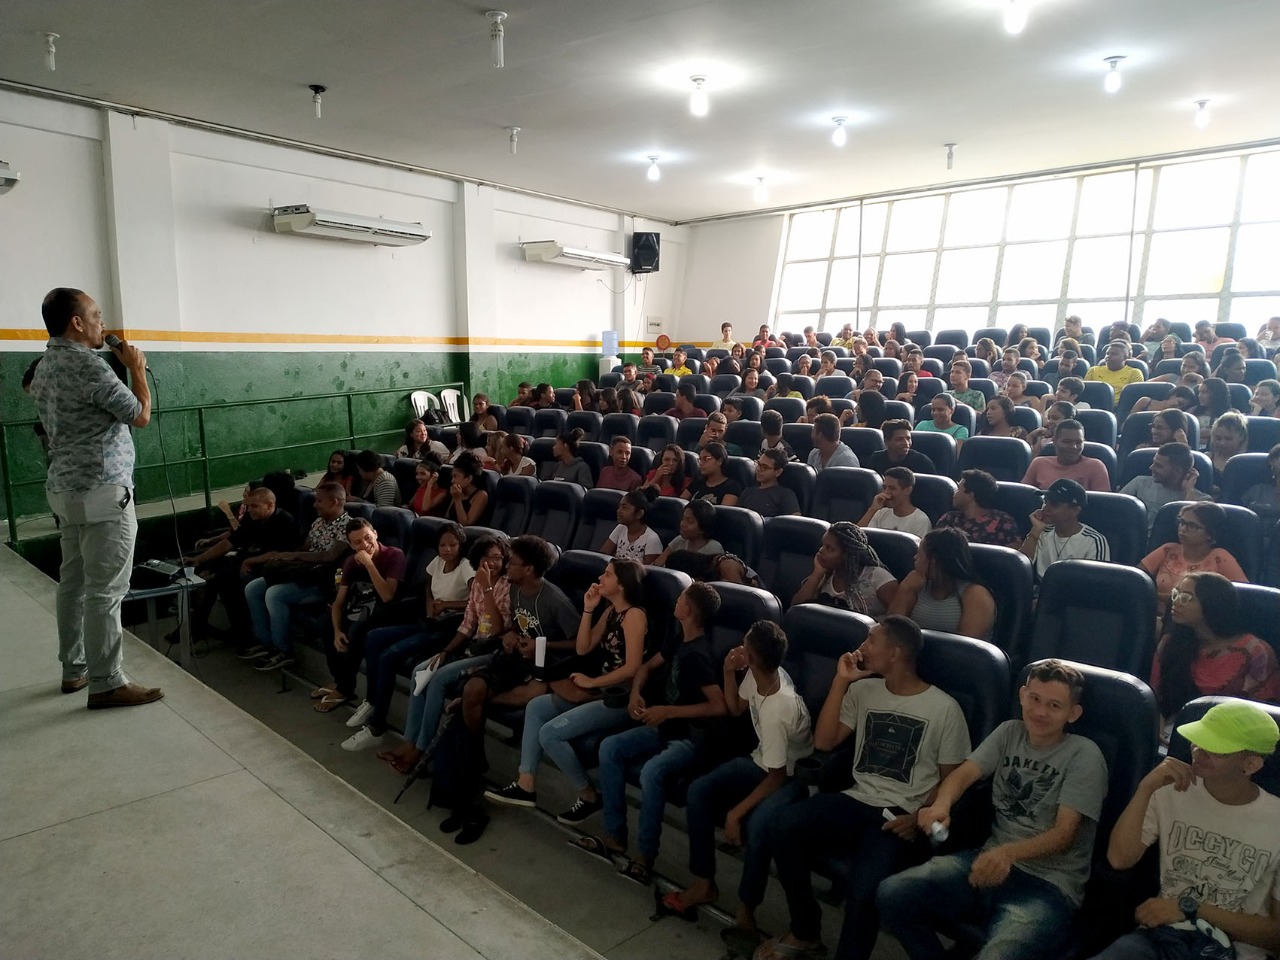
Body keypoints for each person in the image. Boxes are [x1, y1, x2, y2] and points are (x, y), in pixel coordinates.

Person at [761, 617, 972, 960]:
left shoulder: (944, 709)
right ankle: (805, 930)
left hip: (899, 815)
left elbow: (952, 779)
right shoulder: (863, 690)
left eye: (871, 640)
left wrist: (918, 817)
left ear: (895, 653)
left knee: (862, 892)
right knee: (781, 826)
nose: (862, 647)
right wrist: (841, 681)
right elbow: (825, 741)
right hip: (857, 799)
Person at [877, 659, 1109, 960]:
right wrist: (941, 805)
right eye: (1035, 699)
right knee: (893, 894)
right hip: (987, 861)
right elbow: (963, 774)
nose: (1040, 712)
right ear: (1022, 695)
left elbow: (1065, 834)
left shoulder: (1084, 754)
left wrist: (1007, 854)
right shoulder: (1009, 731)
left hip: (1048, 886)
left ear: (1073, 713)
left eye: (1054, 706)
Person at [28, 288, 162, 708]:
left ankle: (74, 669)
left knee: (73, 584)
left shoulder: (44, 366)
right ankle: (107, 682)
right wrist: (136, 370)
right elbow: (140, 415)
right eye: (96, 315)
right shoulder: (89, 365)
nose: (103, 323)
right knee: (106, 590)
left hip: (64, 490)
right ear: (77, 322)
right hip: (103, 491)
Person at [1093, 701, 1280, 960]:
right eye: (1198, 740)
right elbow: (1119, 859)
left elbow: (1275, 935)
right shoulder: (1171, 789)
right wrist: (1145, 788)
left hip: (1234, 951)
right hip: (1163, 937)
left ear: (1250, 765)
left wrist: (1189, 908)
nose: (1198, 751)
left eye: (1215, 749)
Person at [661, 621, 813, 928]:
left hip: (791, 776)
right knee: (698, 791)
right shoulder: (760, 675)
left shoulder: (778, 709)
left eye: (745, 646)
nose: (739, 648)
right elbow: (734, 708)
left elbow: (777, 776)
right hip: (762, 760)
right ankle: (704, 882)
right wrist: (729, 671)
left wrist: (736, 813)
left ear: (753, 658)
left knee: (757, 826)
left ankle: (747, 907)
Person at [579, 583, 727, 884]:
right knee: (610, 748)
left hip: (688, 738)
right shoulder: (678, 639)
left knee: (651, 772)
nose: (677, 600)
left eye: (681, 598)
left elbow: (718, 706)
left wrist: (669, 711)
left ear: (687, 610)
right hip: (662, 726)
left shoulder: (698, 654)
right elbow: (646, 667)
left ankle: (645, 855)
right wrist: (636, 692)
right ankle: (614, 834)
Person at [486, 559, 648, 822]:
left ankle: (588, 795)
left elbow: (632, 667)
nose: (601, 578)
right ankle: (526, 784)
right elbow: (582, 648)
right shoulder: (611, 611)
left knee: (550, 734)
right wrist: (588, 609)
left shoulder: (634, 616)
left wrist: (592, 682)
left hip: (618, 697)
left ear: (622, 584)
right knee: (536, 706)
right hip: (598, 688)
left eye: (607, 575)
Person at [374, 537, 510, 774]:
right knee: (421, 671)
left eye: (497, 557)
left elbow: (497, 629)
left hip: (493, 653)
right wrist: (446, 651)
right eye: (486, 558)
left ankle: (422, 749)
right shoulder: (478, 584)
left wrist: (488, 588)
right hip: (472, 647)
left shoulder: (506, 585)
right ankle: (409, 742)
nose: (491, 562)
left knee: (438, 679)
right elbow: (468, 624)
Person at [340, 522, 474, 751]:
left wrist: (448, 605)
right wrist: (430, 605)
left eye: (453, 545)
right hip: (430, 620)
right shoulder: (437, 562)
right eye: (442, 545)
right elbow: (428, 584)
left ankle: (376, 727)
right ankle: (371, 701)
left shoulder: (466, 567)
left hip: (449, 629)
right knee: (373, 637)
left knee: (389, 655)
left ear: (461, 546)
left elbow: (476, 601)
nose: (447, 549)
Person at [1150, 572, 1280, 733]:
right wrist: (1157, 720)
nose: (1176, 602)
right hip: (1174, 727)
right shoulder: (1170, 643)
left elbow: (1262, 715)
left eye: (1186, 597)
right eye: (1176, 594)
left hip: (1231, 732)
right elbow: (1155, 694)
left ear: (1212, 604)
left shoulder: (1255, 651)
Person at [183, 486, 299, 644]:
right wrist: (199, 559)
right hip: (245, 561)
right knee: (207, 572)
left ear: (270, 505)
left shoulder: (285, 521)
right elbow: (229, 542)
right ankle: (201, 627)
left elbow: (279, 553)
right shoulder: (252, 519)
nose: (249, 510)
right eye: (248, 506)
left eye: (254, 506)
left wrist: (250, 561)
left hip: (269, 566)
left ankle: (207, 630)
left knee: (220, 580)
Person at [315, 517, 405, 714]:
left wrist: (369, 564)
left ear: (375, 534)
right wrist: (337, 631)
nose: (364, 544)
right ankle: (339, 680)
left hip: (386, 612)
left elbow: (387, 596)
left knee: (357, 630)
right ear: (351, 545)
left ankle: (344, 688)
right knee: (327, 623)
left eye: (367, 538)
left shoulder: (394, 555)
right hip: (360, 607)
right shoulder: (351, 562)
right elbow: (339, 603)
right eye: (357, 542)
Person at [1141, 503, 1247, 620]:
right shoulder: (1168, 549)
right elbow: (1137, 579)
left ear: (1210, 534)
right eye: (1181, 522)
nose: (1182, 529)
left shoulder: (1220, 558)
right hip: (1154, 616)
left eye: (1192, 526)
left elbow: (1244, 594)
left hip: (1198, 621)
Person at [888, 528, 996, 640]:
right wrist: (904, 589)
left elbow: (967, 644)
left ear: (934, 561)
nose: (915, 558)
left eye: (919, 554)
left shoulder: (976, 594)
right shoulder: (915, 585)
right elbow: (890, 632)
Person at [792, 521, 898, 617]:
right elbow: (795, 609)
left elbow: (897, 619)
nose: (821, 551)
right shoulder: (825, 574)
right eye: (822, 545)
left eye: (829, 548)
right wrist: (817, 573)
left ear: (847, 555)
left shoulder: (879, 577)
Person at [1021, 478, 1111, 582]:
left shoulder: (1094, 541)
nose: (1045, 509)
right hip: (1041, 590)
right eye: (1045, 501)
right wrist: (1035, 530)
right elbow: (1022, 567)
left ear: (1075, 510)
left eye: (1054, 505)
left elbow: (1097, 582)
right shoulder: (1041, 531)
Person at [1120, 442, 1210, 535]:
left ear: (1177, 471)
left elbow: (1190, 530)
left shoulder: (1202, 500)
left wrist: (1189, 491)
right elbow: (1116, 510)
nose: (1151, 467)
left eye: (1158, 466)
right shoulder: (1139, 483)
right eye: (1153, 463)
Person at [936, 469, 1022, 546]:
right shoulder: (949, 519)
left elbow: (1014, 554)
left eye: (958, 489)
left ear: (970, 496)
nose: (954, 493)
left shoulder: (1003, 521)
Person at [1022, 419, 1111, 492]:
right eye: (1067, 442)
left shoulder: (1096, 467)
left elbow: (1102, 504)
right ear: (1054, 441)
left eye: (1078, 442)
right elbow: (1023, 496)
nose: (1073, 447)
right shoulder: (1039, 463)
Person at [861, 466, 932, 538]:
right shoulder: (880, 513)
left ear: (908, 490)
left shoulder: (920, 520)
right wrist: (872, 509)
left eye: (892, 488)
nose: (886, 492)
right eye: (884, 488)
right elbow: (857, 537)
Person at [601, 489, 664, 564]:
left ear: (639, 514)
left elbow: (648, 569)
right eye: (619, 507)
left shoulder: (652, 540)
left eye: (624, 507)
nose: (618, 511)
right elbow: (602, 555)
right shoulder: (620, 528)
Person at [655, 500, 724, 566]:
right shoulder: (679, 540)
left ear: (703, 527)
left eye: (690, 521)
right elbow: (657, 565)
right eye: (683, 519)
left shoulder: (713, 548)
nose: (683, 524)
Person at [738, 449, 802, 518]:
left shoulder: (785, 495)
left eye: (764, 467)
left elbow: (794, 520)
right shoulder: (747, 492)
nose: (758, 469)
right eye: (758, 464)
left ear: (778, 472)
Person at [864, 419, 936, 475]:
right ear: (886, 441)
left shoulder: (922, 462)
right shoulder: (876, 459)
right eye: (899, 439)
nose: (906, 443)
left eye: (908, 438)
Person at [688, 442, 742, 506]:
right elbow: (682, 503)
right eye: (700, 459)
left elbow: (724, 510)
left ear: (719, 461)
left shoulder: (732, 486)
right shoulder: (698, 481)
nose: (701, 463)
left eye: (706, 459)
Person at [445, 451, 490, 525]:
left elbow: (466, 524)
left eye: (455, 476)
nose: (452, 481)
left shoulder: (481, 495)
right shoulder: (458, 492)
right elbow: (447, 517)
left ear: (469, 478)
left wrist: (457, 499)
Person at [1191, 378, 1233, 442]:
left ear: (1217, 394)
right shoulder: (1192, 411)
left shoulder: (1231, 414)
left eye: (1205, 392)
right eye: (1199, 392)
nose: (1199, 396)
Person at [1209, 412, 1249, 479]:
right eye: (1218, 438)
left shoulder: (1248, 463)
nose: (1222, 443)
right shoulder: (1206, 460)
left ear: (1241, 437)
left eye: (1228, 439)